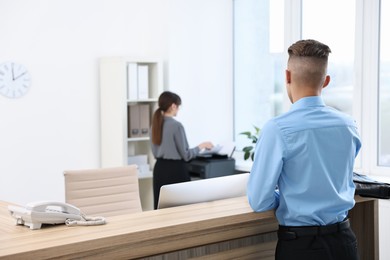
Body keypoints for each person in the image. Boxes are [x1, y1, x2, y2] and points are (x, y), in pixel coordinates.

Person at [247, 39, 362, 260]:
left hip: (302, 247)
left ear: (287, 77)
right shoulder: (348, 125)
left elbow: (259, 200)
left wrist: (287, 198)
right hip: (345, 242)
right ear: (326, 81)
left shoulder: (277, 129)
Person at [151, 91, 213, 209]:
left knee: (161, 208)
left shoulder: (154, 125)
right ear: (173, 106)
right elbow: (186, 155)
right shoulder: (176, 126)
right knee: (181, 210)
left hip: (159, 169)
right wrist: (202, 145)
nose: (178, 110)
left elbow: (154, 152)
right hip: (176, 171)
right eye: (178, 106)